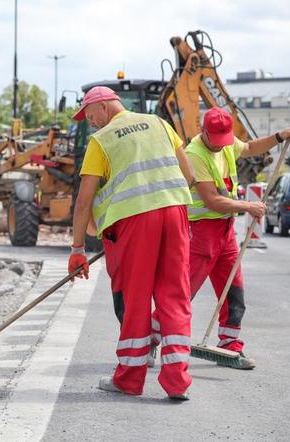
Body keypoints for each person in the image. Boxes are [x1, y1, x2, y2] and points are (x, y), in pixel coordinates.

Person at [69, 86, 194, 400]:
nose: (89, 122)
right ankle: (177, 381)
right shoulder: (160, 124)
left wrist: (77, 249)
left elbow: (83, 202)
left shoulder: (102, 140)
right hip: (175, 212)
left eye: (89, 114)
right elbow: (189, 176)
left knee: (136, 299)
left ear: (104, 106)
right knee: (175, 296)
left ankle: (129, 379)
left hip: (135, 223)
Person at [149, 108, 290, 369]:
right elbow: (212, 200)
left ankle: (230, 345)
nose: (223, 145)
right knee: (184, 292)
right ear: (204, 132)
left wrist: (279, 137)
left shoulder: (225, 144)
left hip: (224, 231)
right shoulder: (194, 155)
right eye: (217, 140)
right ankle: (151, 337)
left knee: (234, 289)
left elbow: (248, 147)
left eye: (226, 139)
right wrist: (248, 207)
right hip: (201, 231)